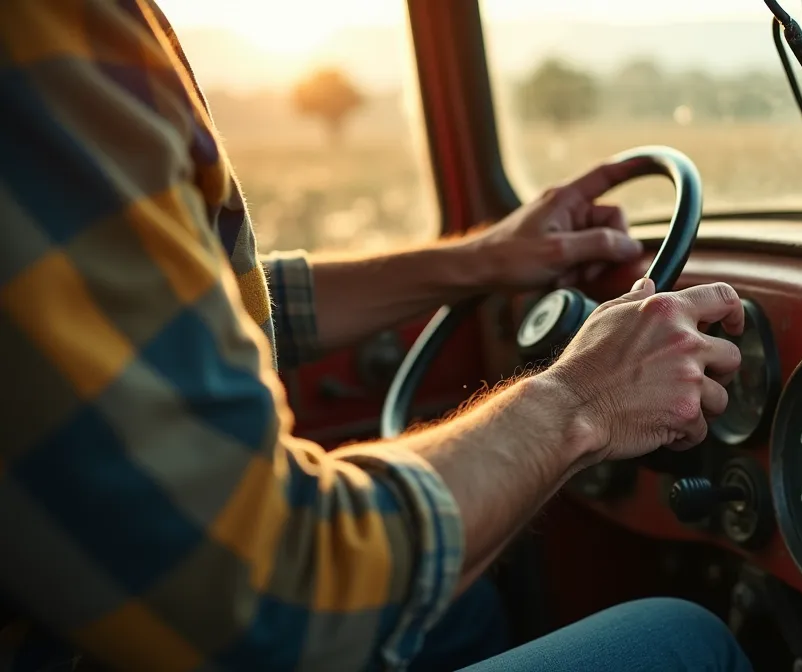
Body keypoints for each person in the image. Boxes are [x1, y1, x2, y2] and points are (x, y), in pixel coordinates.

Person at [0, 1, 752, 670]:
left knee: (466, 615)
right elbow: (270, 590)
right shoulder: (45, 38)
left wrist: (481, 258)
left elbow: (200, 302)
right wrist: (583, 399)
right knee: (686, 639)